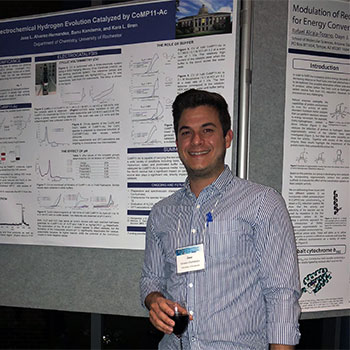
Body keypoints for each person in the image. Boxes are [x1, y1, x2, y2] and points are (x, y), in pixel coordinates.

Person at [140, 89, 301, 350]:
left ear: (227, 138)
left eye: (207, 130)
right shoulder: (162, 213)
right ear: (177, 142)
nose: (196, 141)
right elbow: (151, 278)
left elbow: (282, 293)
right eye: (186, 132)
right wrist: (154, 300)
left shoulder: (262, 203)